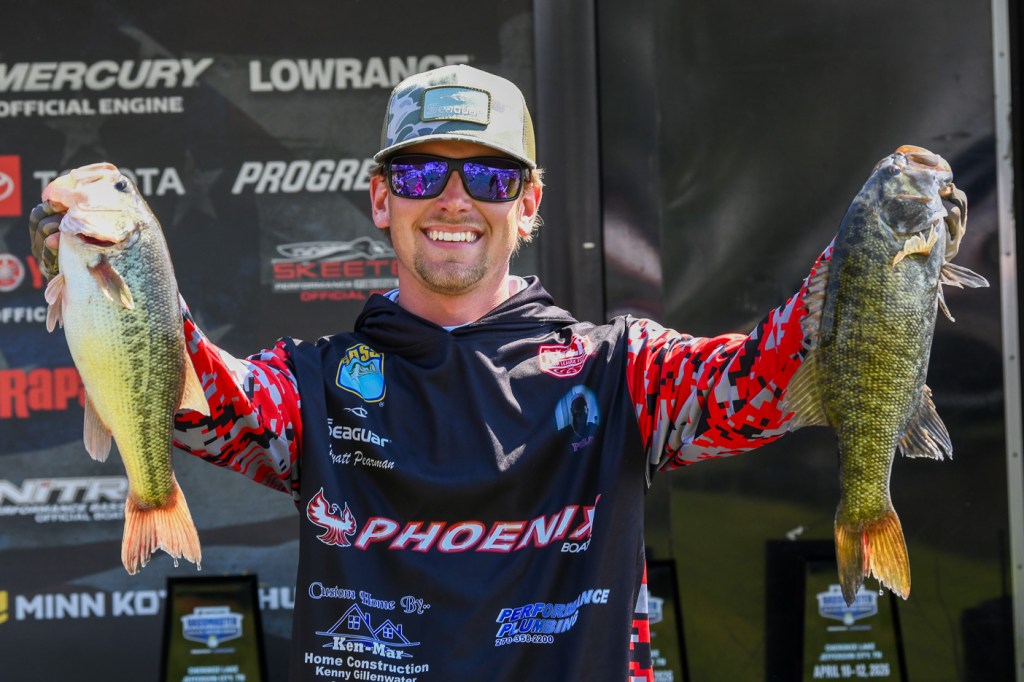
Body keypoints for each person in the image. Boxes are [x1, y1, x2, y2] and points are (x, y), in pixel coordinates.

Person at [31, 64, 824, 681]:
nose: (452, 200)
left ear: (529, 203)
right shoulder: (315, 385)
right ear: (381, 199)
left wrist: (865, 256)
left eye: (489, 177)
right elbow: (195, 399)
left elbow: (766, 384)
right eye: (420, 176)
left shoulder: (622, 372)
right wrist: (107, 269)